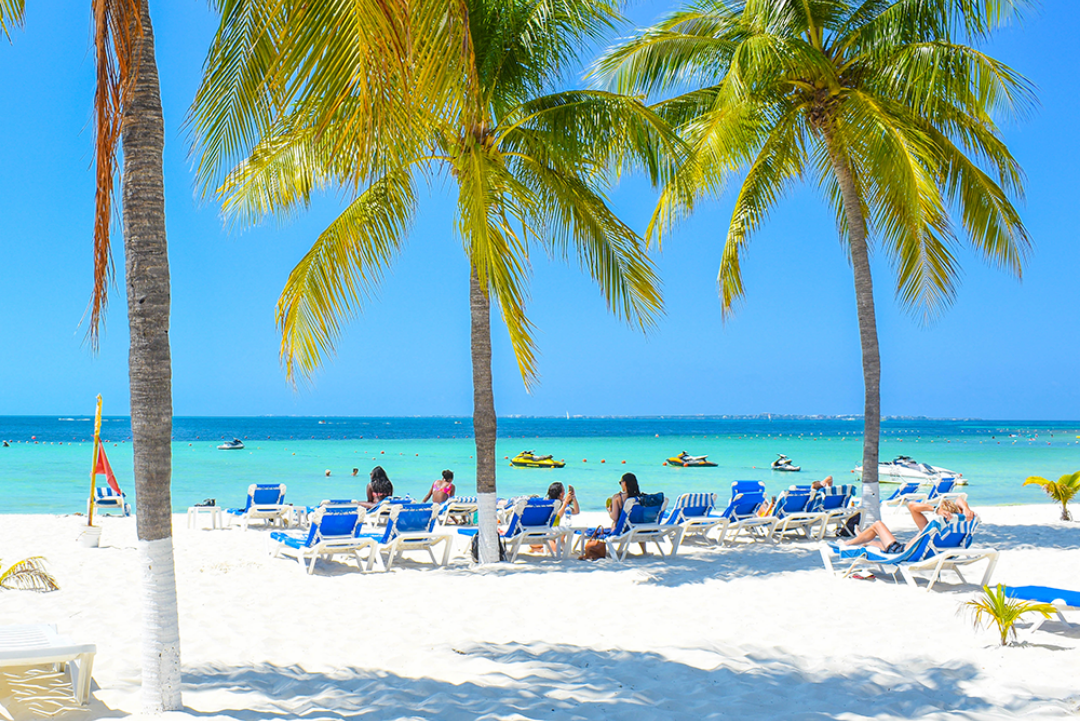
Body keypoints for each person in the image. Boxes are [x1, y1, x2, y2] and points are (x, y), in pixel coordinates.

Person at [841, 498, 974, 553]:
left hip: (902, 551)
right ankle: (861, 538)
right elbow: (959, 500)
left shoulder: (930, 528)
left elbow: (911, 505)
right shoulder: (959, 526)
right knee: (874, 543)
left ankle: (848, 543)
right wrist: (966, 508)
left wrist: (935, 509)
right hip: (934, 552)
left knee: (878, 525)